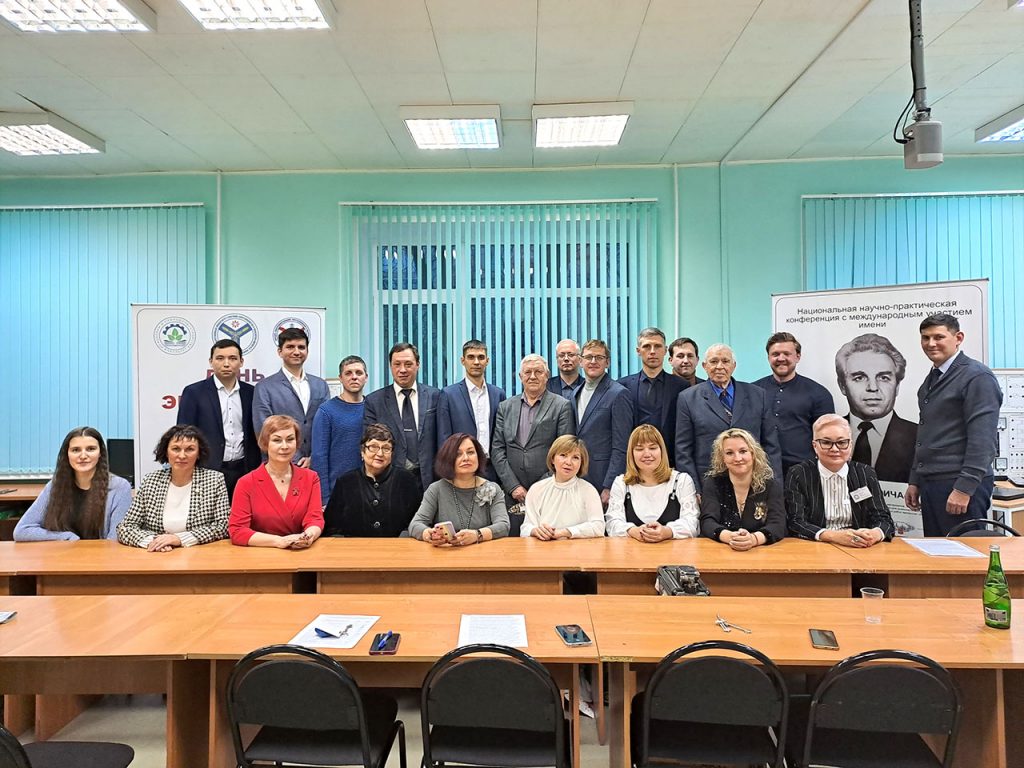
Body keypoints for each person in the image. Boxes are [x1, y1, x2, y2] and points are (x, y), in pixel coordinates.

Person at [905, 313, 1003, 537]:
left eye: (938, 337)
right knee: (938, 552)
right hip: (932, 483)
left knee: (963, 552)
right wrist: (915, 480)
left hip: (958, 484)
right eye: (925, 337)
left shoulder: (977, 377)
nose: (931, 343)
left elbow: (983, 441)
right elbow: (926, 434)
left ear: (958, 338)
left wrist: (964, 488)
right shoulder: (933, 378)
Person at [675, 343, 782, 489]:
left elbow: (771, 445)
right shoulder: (688, 398)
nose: (719, 366)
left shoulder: (758, 395)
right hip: (709, 484)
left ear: (734, 366)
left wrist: (774, 486)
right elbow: (683, 450)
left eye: (725, 361)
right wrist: (693, 489)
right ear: (704, 366)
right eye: (714, 361)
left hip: (754, 483)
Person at [491, 354, 576, 536]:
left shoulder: (562, 406)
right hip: (512, 494)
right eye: (527, 372)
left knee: (546, 539)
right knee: (512, 542)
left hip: (549, 490)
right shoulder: (505, 407)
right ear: (520, 376)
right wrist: (513, 486)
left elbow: (564, 451)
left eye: (538, 372)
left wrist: (539, 488)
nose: (532, 376)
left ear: (547, 376)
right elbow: (497, 449)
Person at [785, 414, 895, 546]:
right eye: (826, 442)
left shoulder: (865, 473)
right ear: (815, 446)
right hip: (816, 546)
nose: (835, 449)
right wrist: (833, 536)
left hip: (859, 546)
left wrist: (874, 534)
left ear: (850, 445)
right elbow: (795, 521)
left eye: (842, 442)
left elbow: (883, 519)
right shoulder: (799, 474)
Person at [117, 425, 230, 551]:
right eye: (176, 449)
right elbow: (126, 527)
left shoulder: (214, 480)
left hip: (199, 554)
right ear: (166, 452)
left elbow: (223, 526)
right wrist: (155, 542)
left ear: (198, 453)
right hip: (158, 554)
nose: (182, 455)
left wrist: (179, 539)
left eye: (190, 449)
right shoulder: (150, 481)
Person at [14, 426, 132, 541]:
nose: (83, 456)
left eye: (91, 449)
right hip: (63, 552)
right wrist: (66, 537)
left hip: (101, 554)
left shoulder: (119, 487)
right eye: (76, 450)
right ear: (67, 454)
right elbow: (22, 530)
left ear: (100, 453)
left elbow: (114, 540)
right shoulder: (55, 486)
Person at [176, 339, 260, 499]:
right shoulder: (194, 392)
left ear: (241, 362)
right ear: (211, 361)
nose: (226, 364)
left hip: (245, 469)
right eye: (220, 358)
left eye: (233, 358)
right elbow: (184, 434)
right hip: (207, 470)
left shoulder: (251, 392)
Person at [229, 415, 323, 548]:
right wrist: (279, 542)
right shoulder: (246, 483)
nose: (284, 446)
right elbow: (237, 531)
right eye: (277, 440)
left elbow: (315, 519)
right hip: (261, 554)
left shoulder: (311, 478)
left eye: (290, 439)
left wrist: (308, 536)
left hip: (301, 551)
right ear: (265, 443)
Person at [835, 333, 917, 483]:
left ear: (897, 386)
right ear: (842, 386)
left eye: (884, 378)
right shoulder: (827, 434)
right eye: (859, 378)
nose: (873, 387)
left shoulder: (919, 437)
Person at [754, 332, 834, 477]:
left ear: (798, 357)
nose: (781, 358)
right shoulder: (753, 391)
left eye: (787, 354)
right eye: (775, 354)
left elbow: (828, 437)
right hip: (760, 470)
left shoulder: (818, 393)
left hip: (803, 472)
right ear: (768, 358)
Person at [363, 342, 441, 491]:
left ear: (417, 365)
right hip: (390, 481)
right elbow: (369, 444)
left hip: (430, 479)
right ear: (390, 366)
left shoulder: (435, 396)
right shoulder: (374, 401)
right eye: (397, 364)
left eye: (408, 364)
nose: (402, 370)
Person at [408, 433, 509, 545]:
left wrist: (477, 535)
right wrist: (430, 535)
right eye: (458, 454)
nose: (466, 458)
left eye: (470, 452)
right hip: (446, 552)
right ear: (448, 459)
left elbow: (503, 525)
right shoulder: (436, 489)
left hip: (482, 551)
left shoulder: (493, 488)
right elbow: (415, 525)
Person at [322, 424, 420, 537]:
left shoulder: (406, 480)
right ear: (362, 451)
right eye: (373, 447)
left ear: (392, 454)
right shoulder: (346, 482)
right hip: (354, 546)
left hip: (397, 546)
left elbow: (416, 522)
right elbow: (332, 528)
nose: (380, 454)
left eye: (386, 448)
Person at [605, 424, 700, 541]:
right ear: (631, 453)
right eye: (639, 449)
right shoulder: (621, 483)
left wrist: (667, 532)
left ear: (662, 451)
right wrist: (633, 531)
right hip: (631, 551)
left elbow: (692, 523)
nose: (647, 454)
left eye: (653, 448)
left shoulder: (682, 481)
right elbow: (612, 523)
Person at [253, 327, 329, 466]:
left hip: (316, 464)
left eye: (301, 347)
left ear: (307, 351)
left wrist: (314, 458)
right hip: (280, 465)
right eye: (290, 347)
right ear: (280, 352)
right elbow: (263, 429)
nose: (296, 351)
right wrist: (296, 460)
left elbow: (326, 426)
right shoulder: (264, 387)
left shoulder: (320, 385)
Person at [699, 428, 785, 549]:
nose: (737, 458)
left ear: (753, 454)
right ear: (722, 458)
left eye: (743, 451)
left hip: (760, 551)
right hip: (722, 549)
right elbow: (707, 522)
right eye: (729, 453)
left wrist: (753, 539)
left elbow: (778, 525)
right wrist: (730, 537)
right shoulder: (713, 483)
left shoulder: (770, 485)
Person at [574, 339, 634, 504]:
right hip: (577, 477)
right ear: (580, 361)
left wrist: (610, 485)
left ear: (607, 362)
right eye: (588, 357)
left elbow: (621, 445)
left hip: (603, 481)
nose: (593, 361)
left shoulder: (619, 393)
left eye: (599, 357)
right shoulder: (575, 393)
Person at [437, 340, 506, 480]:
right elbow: (444, 437)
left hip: (492, 470)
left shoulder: (498, 394)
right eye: (471, 357)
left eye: (481, 357)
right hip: (460, 469)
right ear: (463, 361)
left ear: (487, 361)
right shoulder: (448, 394)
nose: (476, 362)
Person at [618, 327, 686, 465]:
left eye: (657, 346)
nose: (652, 351)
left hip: (670, 461)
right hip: (633, 462)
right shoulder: (622, 386)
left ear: (665, 350)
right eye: (647, 346)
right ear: (638, 351)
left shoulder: (681, 387)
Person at [521, 435, 604, 540]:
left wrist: (566, 532)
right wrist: (534, 531)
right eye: (563, 455)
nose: (568, 462)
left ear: (581, 463)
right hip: (544, 547)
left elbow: (598, 527)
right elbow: (525, 528)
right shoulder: (536, 489)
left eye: (575, 457)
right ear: (552, 459)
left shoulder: (588, 490)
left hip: (578, 548)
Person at [311, 355, 368, 505]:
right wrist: (324, 499)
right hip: (337, 493)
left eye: (359, 373)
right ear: (340, 378)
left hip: (369, 492)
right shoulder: (326, 411)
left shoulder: (373, 408)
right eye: (348, 373)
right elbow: (319, 457)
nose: (354, 377)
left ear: (366, 377)